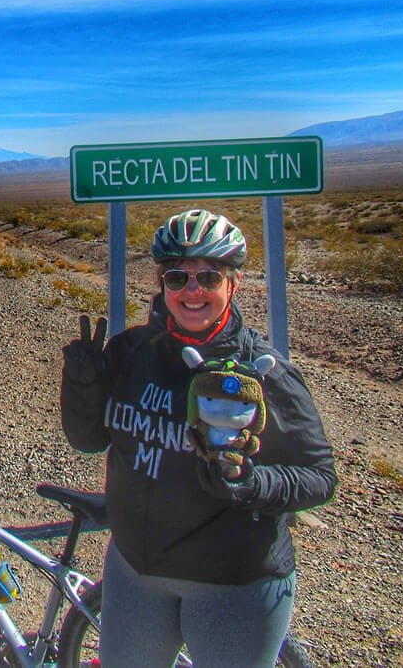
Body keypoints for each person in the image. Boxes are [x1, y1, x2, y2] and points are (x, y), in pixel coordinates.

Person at [60, 208, 336, 666]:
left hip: (233, 586)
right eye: (176, 278)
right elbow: (88, 440)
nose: (192, 291)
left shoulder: (265, 372)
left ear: (234, 284)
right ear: (159, 283)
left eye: (209, 277)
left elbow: (319, 476)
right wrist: (82, 386)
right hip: (136, 575)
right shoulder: (131, 352)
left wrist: (254, 485)